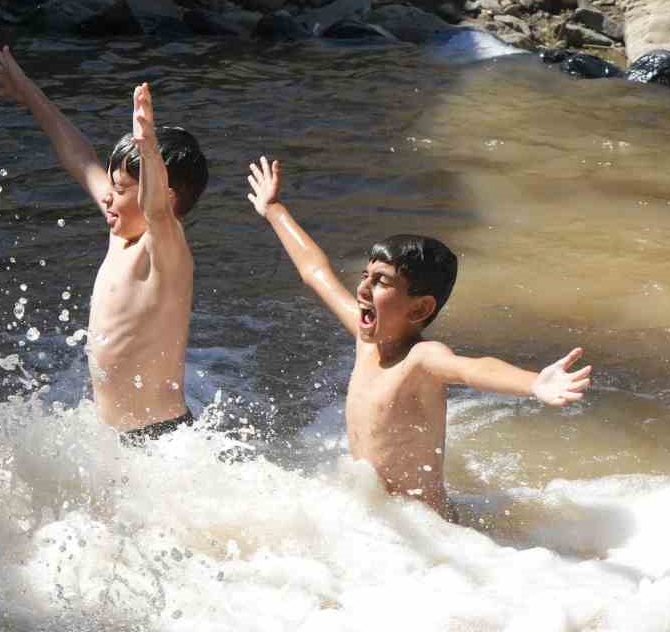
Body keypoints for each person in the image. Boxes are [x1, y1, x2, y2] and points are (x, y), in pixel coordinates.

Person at [245, 156, 590, 516]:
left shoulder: (422, 359)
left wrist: (534, 383)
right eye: (365, 275)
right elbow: (316, 272)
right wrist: (273, 209)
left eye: (380, 282)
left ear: (420, 309)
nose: (362, 288)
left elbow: (472, 369)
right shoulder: (367, 341)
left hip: (426, 529)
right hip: (378, 520)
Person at [0, 46, 209, 439]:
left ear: (164, 196)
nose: (107, 195)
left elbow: (155, 209)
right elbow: (80, 157)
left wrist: (149, 148)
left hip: (160, 440)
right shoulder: (121, 230)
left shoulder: (164, 248)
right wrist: (27, 91)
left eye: (121, 188)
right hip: (112, 438)